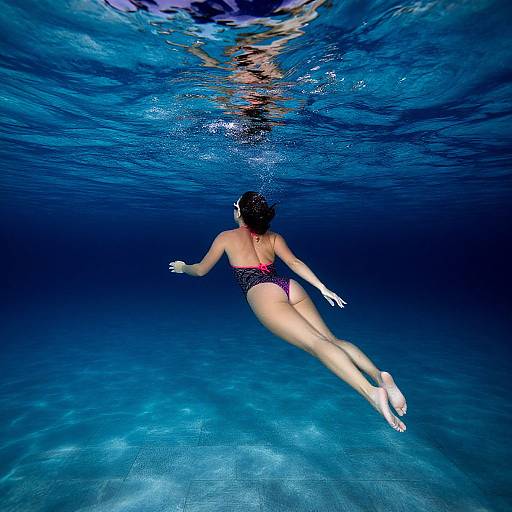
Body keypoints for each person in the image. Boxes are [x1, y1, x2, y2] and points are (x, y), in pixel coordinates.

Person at [169, 191, 407, 432]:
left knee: (317, 345)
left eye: (234, 206)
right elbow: (294, 264)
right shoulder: (273, 237)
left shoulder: (226, 237)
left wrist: (182, 267)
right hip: (289, 286)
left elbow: (200, 270)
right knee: (331, 340)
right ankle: (378, 375)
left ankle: (372, 394)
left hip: (262, 291)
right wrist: (322, 287)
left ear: (239, 212)